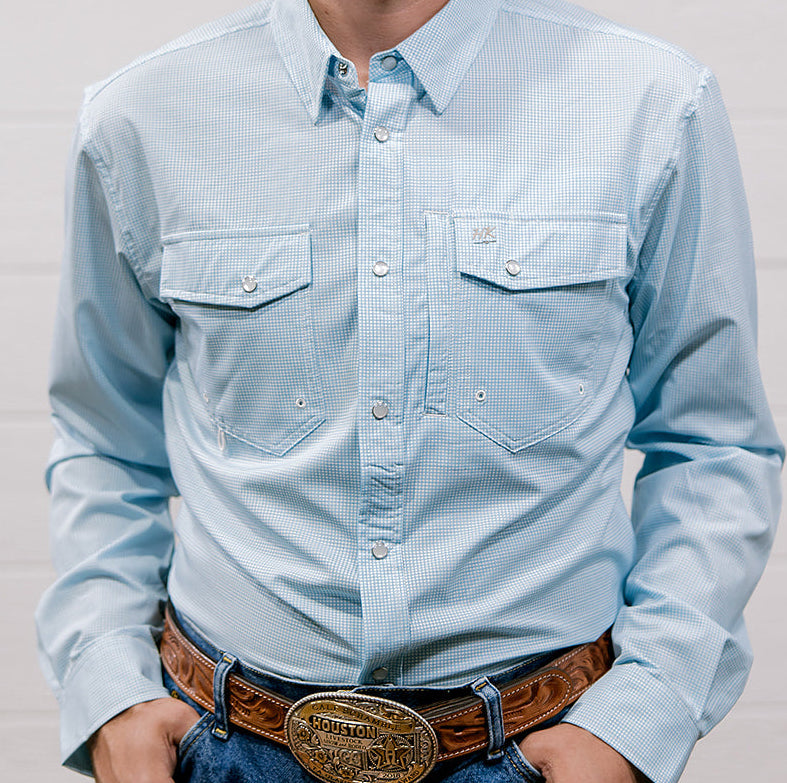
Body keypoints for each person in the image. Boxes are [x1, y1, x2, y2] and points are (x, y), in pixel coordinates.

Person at [35, 1, 783, 782]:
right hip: (225, 749)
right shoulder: (141, 115)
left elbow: (712, 442)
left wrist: (640, 717)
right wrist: (111, 691)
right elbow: (103, 440)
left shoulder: (650, 101)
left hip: (541, 750)